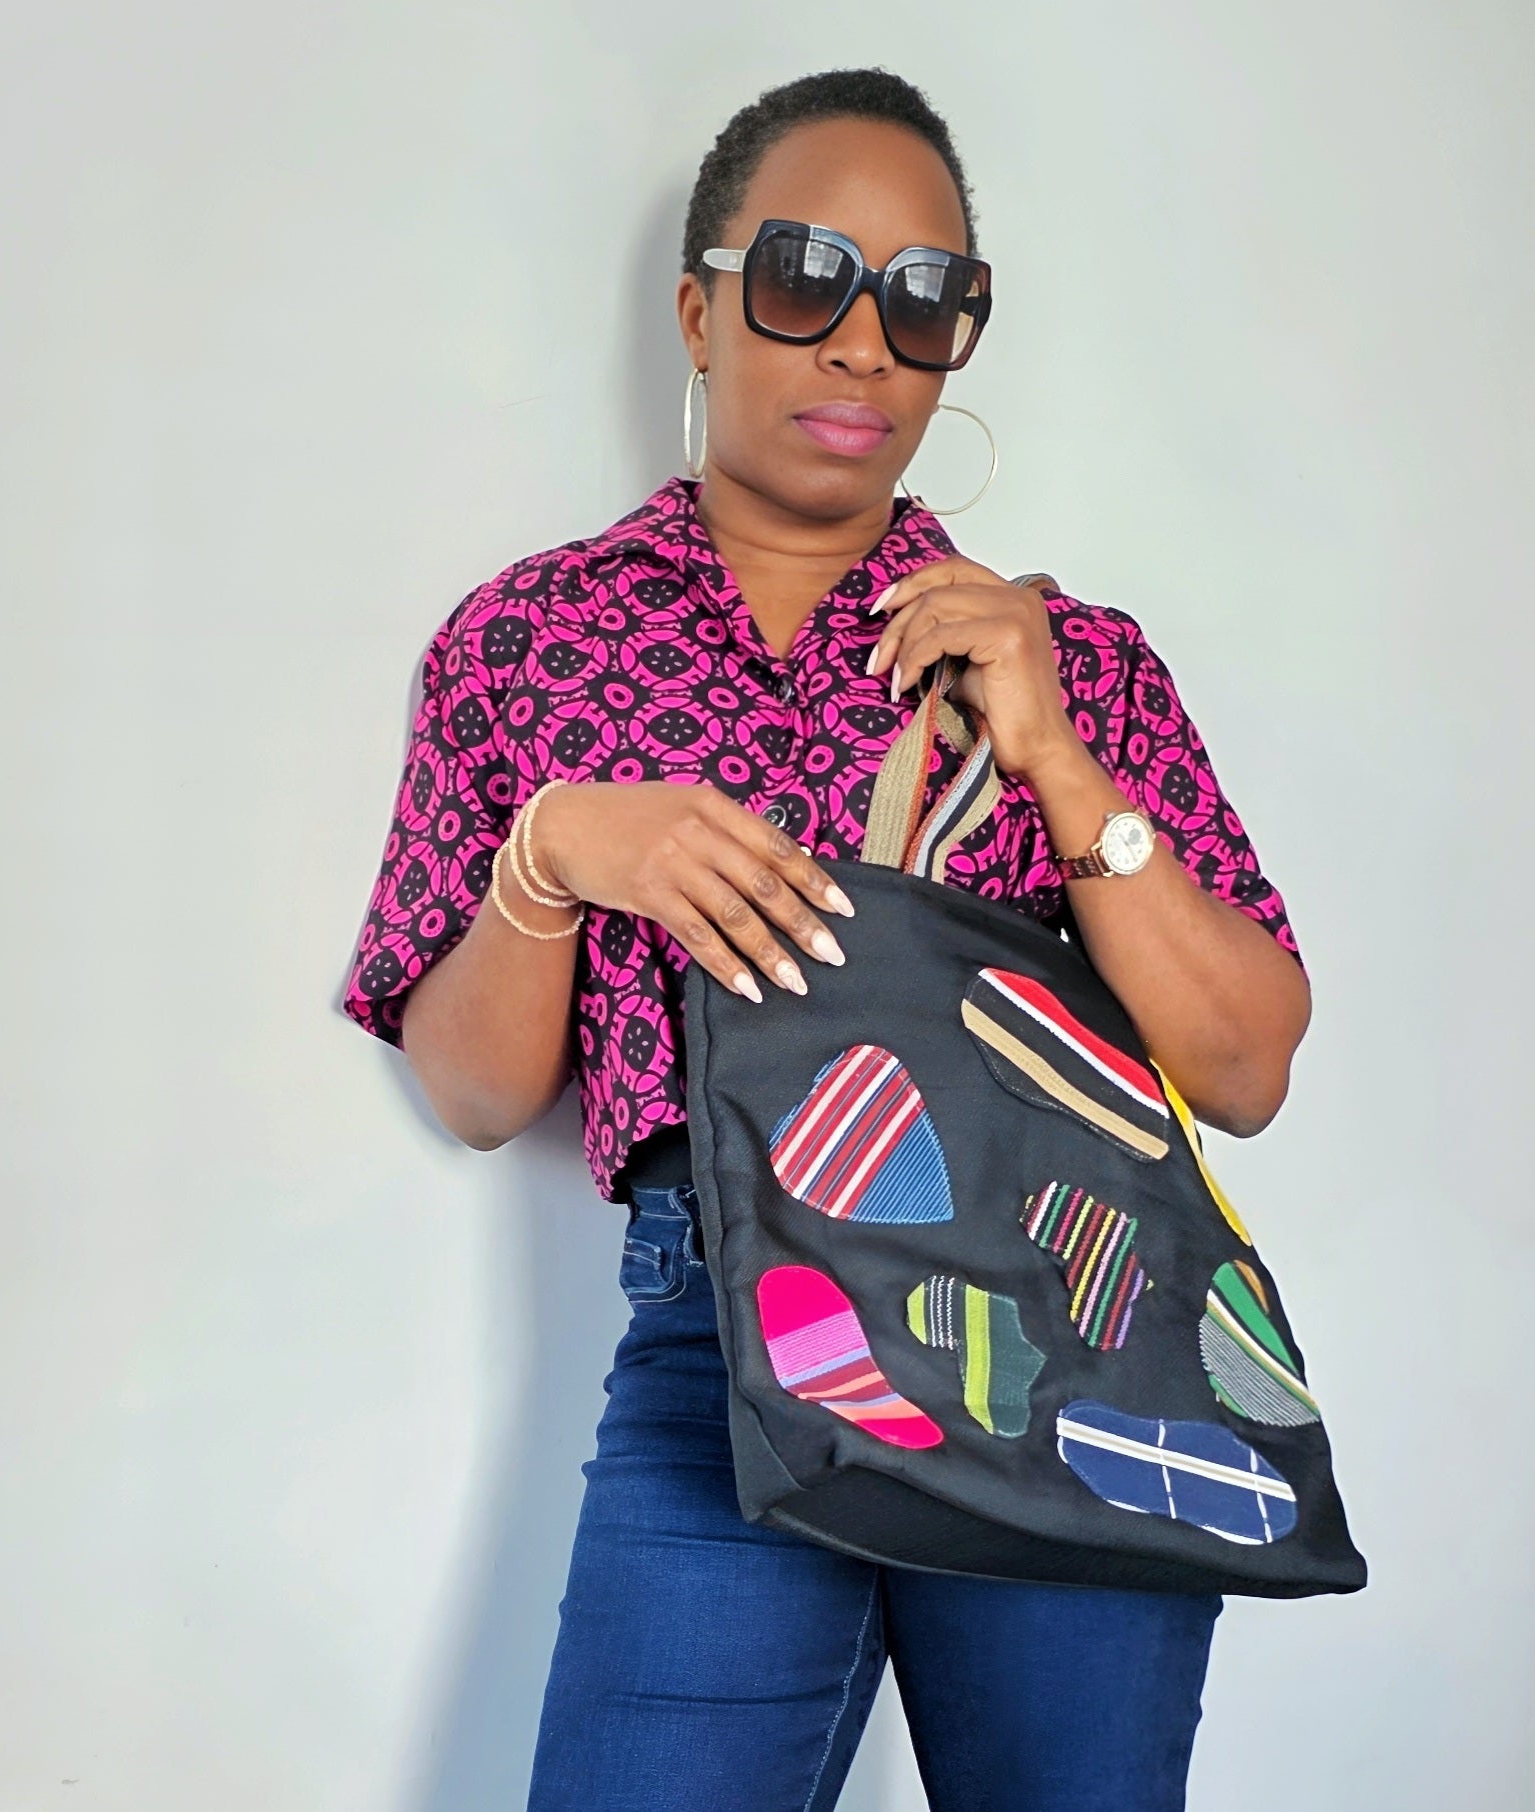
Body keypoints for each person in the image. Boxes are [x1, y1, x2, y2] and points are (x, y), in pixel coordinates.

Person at [343, 66, 1311, 1812]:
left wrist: (1053, 753)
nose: (864, 343)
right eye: (805, 276)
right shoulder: (528, 641)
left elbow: (1243, 1067)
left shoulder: (1070, 656)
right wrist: (551, 854)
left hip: (1069, 1347)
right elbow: (478, 1096)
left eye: (926, 300)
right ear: (698, 310)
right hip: (718, 1339)